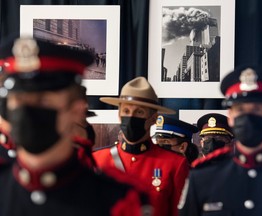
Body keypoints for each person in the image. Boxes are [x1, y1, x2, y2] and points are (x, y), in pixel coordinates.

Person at [0, 36, 151, 215]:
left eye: (43, 100)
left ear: (77, 110)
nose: (27, 111)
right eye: (18, 100)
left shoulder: (119, 201)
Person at [179, 66, 262, 215]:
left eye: (257, 109)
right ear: (230, 116)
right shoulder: (202, 178)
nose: (248, 117)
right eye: (240, 109)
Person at [93, 76, 189, 216]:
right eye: (126, 111)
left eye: (139, 112)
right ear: (119, 114)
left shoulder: (174, 165)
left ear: (154, 119)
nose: (131, 117)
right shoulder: (98, 160)